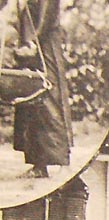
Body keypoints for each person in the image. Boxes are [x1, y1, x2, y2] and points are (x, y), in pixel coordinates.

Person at [12, 0, 71, 178]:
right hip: (30, 41)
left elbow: (47, 13)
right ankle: (38, 165)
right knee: (30, 96)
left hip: (45, 43)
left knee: (50, 97)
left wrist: (33, 40)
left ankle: (63, 163)